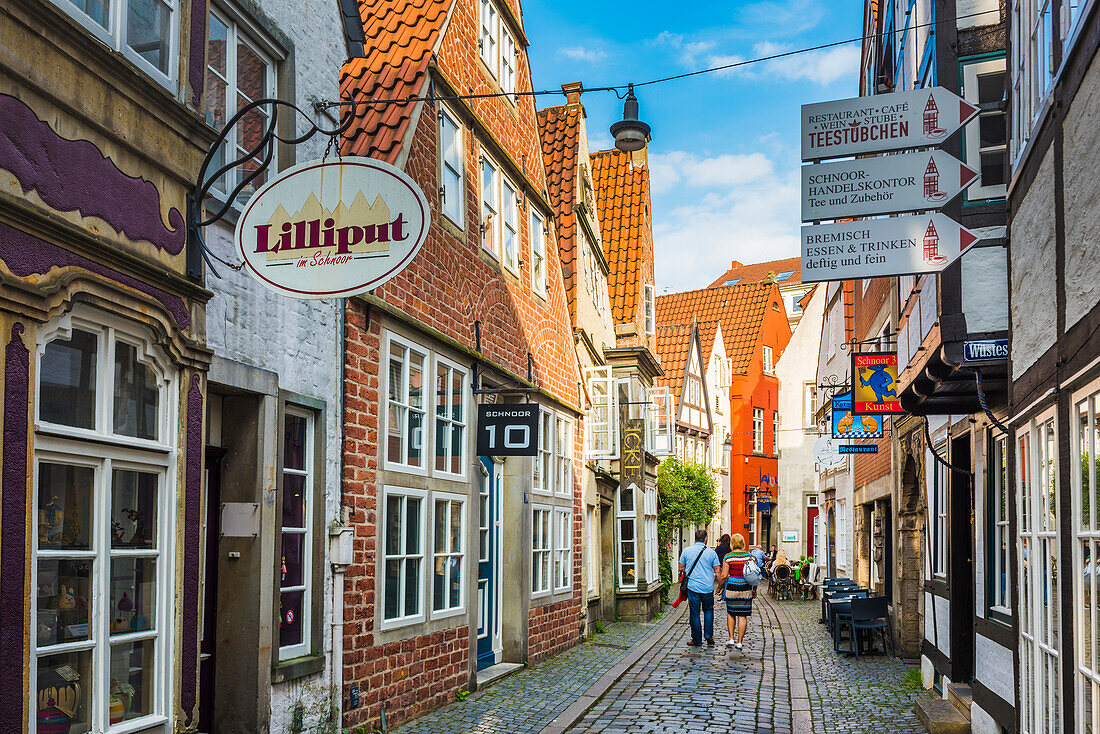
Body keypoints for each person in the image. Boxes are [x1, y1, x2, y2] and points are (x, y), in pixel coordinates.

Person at [678, 529, 721, 647]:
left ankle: (697, 640)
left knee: (695, 613)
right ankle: (708, 634)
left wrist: (688, 569)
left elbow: (681, 568)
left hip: (693, 587)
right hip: (707, 587)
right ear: (706, 539)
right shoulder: (712, 553)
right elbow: (718, 571)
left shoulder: (687, 551)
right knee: (708, 610)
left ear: (695, 538)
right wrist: (720, 586)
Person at [719, 533, 755, 650]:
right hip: (745, 588)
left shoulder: (728, 557)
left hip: (732, 587)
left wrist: (720, 587)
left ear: (732, 544)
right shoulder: (750, 557)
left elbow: (724, 575)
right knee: (742, 615)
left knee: (731, 613)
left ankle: (731, 639)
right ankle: (739, 642)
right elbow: (754, 575)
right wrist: (754, 590)